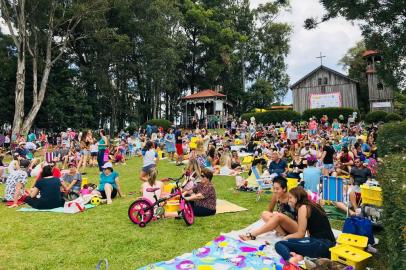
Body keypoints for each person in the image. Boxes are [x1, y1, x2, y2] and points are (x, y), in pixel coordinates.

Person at [275, 187, 336, 265]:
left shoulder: (303, 208)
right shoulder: (313, 205)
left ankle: (290, 259)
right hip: (330, 245)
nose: (289, 200)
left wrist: (286, 237)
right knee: (292, 242)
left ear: (297, 197)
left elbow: (301, 234)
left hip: (321, 245)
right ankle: (300, 256)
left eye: (291, 197)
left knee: (280, 244)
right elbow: (309, 233)